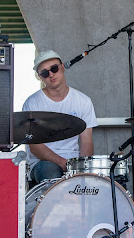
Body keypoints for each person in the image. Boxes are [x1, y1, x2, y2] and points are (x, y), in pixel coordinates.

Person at [23, 50, 98, 185]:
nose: (51, 74)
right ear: (40, 77)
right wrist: (63, 163)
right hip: (43, 163)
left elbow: (86, 141)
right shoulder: (32, 103)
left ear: (62, 67)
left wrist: (82, 169)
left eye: (54, 68)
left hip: (73, 162)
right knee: (50, 172)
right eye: (45, 73)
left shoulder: (83, 101)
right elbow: (35, 147)